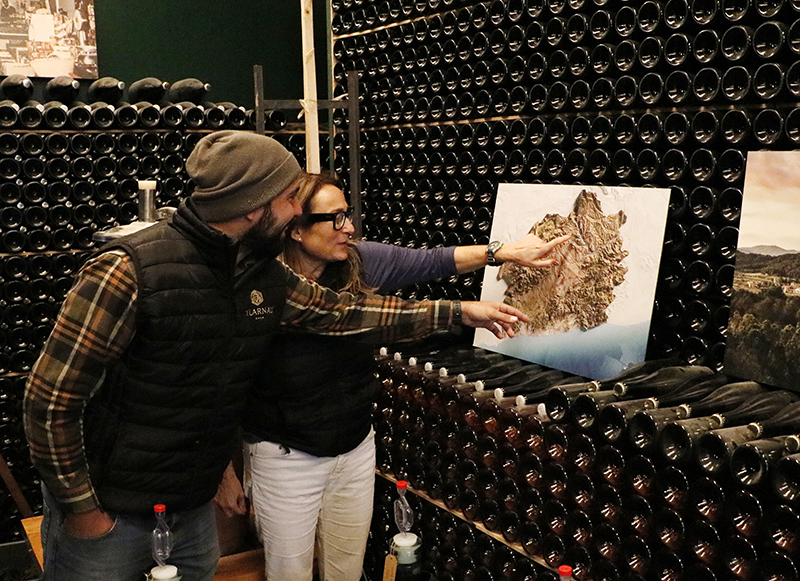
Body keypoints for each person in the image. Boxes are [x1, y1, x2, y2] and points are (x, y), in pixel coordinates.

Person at [22, 131, 528, 581]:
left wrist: (457, 313)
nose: (294, 213)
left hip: (188, 505)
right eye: (289, 199)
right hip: (108, 510)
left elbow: (344, 313)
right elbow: (49, 403)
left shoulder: (258, 271)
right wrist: (82, 509)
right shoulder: (128, 271)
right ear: (252, 206)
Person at [214, 171, 570, 581]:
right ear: (296, 229)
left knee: (345, 570)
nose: (348, 228)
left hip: (354, 449)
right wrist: (223, 473)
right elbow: (223, 383)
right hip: (286, 457)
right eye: (335, 219)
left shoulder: (358, 261)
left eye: (347, 215)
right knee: (289, 573)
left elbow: (433, 259)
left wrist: (502, 251)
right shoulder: (261, 285)